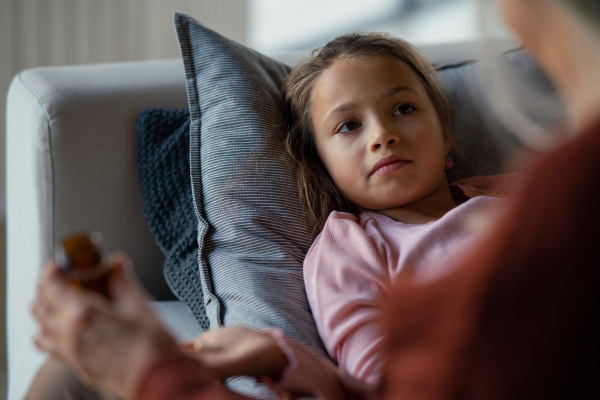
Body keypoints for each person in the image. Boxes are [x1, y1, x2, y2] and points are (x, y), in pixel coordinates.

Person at [30, 0, 600, 398]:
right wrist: (287, 357)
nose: (382, 133)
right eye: (348, 127)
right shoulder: (351, 249)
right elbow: (380, 378)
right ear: (319, 160)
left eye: (403, 108)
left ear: (445, 128)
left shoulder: (521, 195)